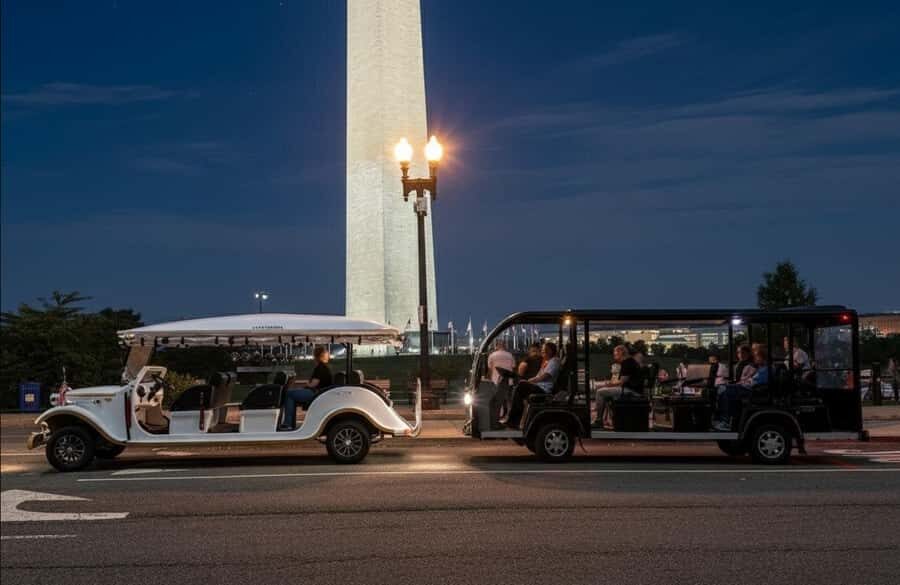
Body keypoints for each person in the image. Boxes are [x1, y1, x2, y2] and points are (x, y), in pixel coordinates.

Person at [713, 344, 769, 431]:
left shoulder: (765, 369)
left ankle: (725, 421)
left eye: (757, 356)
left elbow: (752, 382)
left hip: (750, 390)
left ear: (762, 357)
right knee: (720, 388)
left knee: (723, 389)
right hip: (746, 387)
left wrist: (740, 384)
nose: (755, 358)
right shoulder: (760, 368)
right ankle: (719, 418)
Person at [504, 342, 560, 427]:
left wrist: (530, 381)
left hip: (543, 389)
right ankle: (513, 420)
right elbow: (539, 375)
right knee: (519, 388)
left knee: (520, 387)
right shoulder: (547, 362)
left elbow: (544, 376)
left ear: (550, 351)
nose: (541, 353)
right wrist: (528, 381)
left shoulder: (554, 361)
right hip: (539, 386)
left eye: (543, 351)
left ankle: (513, 420)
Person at [279, 346, 333, 430]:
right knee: (292, 393)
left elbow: (313, 384)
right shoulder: (324, 367)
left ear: (317, 356)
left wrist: (306, 384)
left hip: (316, 393)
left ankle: (288, 423)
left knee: (289, 394)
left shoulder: (320, 367)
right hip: (320, 392)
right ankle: (289, 424)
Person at [593, 345, 645, 427]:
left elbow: (621, 382)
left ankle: (599, 421)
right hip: (631, 389)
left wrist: (607, 384)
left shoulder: (627, 362)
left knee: (600, 392)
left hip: (632, 391)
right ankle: (611, 419)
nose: (614, 355)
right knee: (604, 390)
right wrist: (608, 384)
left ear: (621, 352)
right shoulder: (629, 362)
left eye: (615, 353)